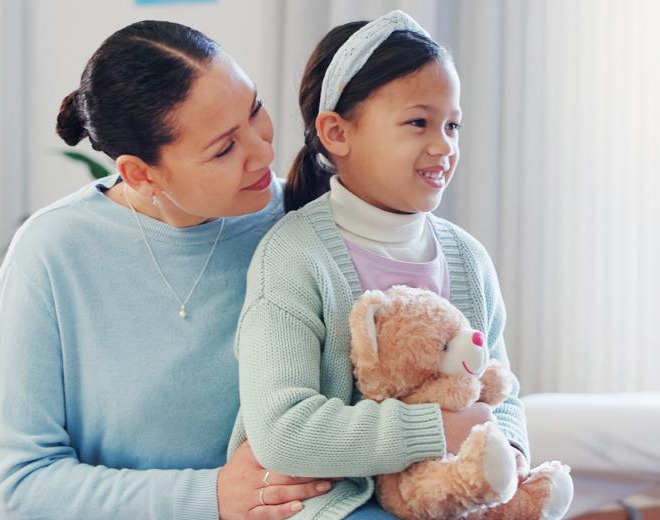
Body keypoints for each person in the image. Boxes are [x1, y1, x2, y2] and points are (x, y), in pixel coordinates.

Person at [0, 20, 328, 520]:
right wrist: (212, 497)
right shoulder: (53, 252)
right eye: (224, 148)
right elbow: (17, 478)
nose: (264, 151)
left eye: (255, 110)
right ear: (140, 172)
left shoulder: (307, 217)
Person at [228, 11, 533, 519]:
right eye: (419, 122)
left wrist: (511, 451)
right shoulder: (294, 256)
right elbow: (283, 431)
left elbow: (498, 392)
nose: (444, 146)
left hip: (449, 496)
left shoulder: (469, 259)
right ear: (337, 133)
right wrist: (436, 429)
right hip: (334, 506)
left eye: (452, 125)